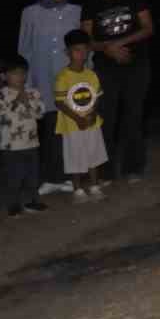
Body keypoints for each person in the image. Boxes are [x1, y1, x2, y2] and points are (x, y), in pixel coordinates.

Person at [81, 0, 153, 182]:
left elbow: (148, 28)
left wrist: (120, 43)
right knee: (106, 117)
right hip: (105, 67)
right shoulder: (91, 2)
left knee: (133, 115)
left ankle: (133, 168)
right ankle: (106, 170)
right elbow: (87, 39)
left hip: (136, 64)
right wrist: (107, 48)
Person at [18, 0, 82, 193]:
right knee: (49, 128)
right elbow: (24, 49)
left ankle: (68, 175)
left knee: (71, 127)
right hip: (42, 78)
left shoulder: (76, 11)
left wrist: (87, 74)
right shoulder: (29, 13)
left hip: (71, 78)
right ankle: (50, 177)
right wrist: (24, 83)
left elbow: (84, 45)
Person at [54, 30, 108, 201]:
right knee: (75, 156)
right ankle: (77, 189)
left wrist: (92, 114)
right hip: (72, 124)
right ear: (67, 52)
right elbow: (59, 102)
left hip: (91, 122)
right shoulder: (63, 76)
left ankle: (94, 185)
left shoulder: (91, 74)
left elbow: (97, 96)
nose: (82, 54)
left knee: (94, 154)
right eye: (77, 50)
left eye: (85, 50)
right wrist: (77, 118)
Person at [0, 58, 49, 217]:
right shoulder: (0, 95)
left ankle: (34, 200)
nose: (19, 77)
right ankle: (14, 203)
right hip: (10, 146)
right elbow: (2, 117)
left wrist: (28, 102)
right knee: (14, 176)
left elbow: (39, 114)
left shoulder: (33, 92)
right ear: (4, 76)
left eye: (22, 73)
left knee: (33, 174)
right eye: (14, 73)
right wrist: (17, 102)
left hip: (31, 143)